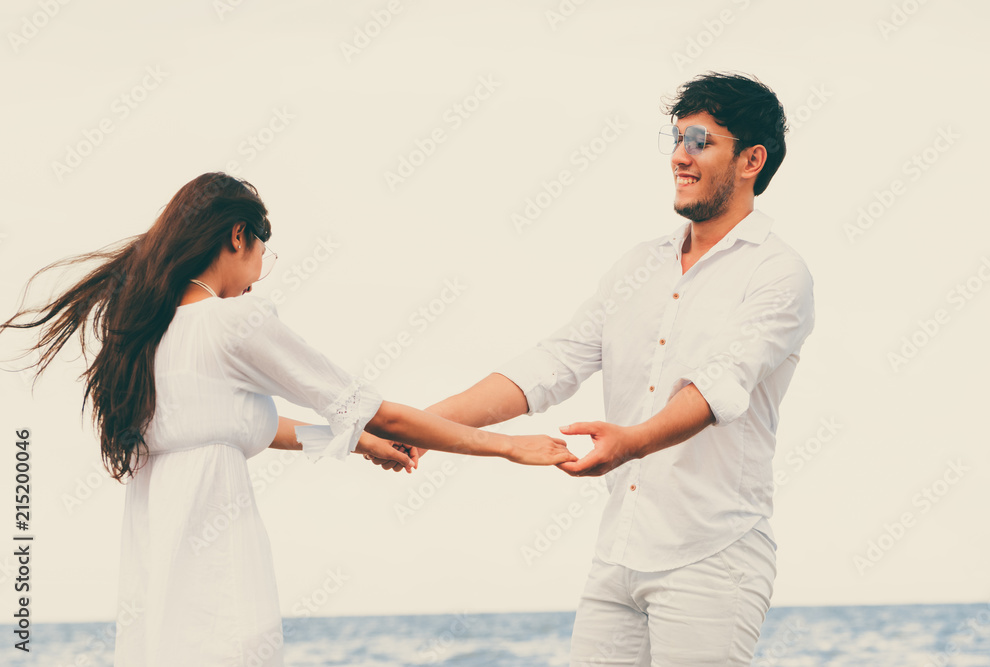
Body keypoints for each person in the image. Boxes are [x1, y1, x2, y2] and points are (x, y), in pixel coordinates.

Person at [0, 172, 576, 666]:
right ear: (237, 235)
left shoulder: (143, 339)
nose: (258, 274)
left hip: (154, 576)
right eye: (261, 254)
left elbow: (242, 428)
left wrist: (356, 443)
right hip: (219, 563)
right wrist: (506, 447)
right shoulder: (235, 323)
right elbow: (380, 411)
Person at [370, 72, 816, 665]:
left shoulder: (778, 273)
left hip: (714, 558)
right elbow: (552, 363)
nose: (680, 157)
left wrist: (631, 441)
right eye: (677, 139)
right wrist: (416, 424)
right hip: (618, 556)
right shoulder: (640, 263)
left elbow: (718, 386)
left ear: (750, 160)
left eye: (700, 142)